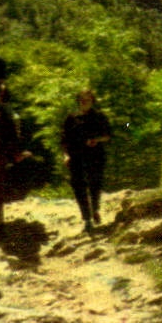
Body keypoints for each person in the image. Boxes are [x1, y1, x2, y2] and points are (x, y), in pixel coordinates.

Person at [59, 88, 112, 231]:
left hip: (95, 156)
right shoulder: (71, 118)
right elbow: (64, 141)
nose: (84, 102)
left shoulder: (100, 117)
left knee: (95, 185)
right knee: (78, 187)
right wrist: (66, 155)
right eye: (82, 99)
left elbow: (108, 135)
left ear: (92, 101)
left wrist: (96, 140)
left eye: (87, 99)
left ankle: (94, 208)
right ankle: (87, 219)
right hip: (76, 157)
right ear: (78, 101)